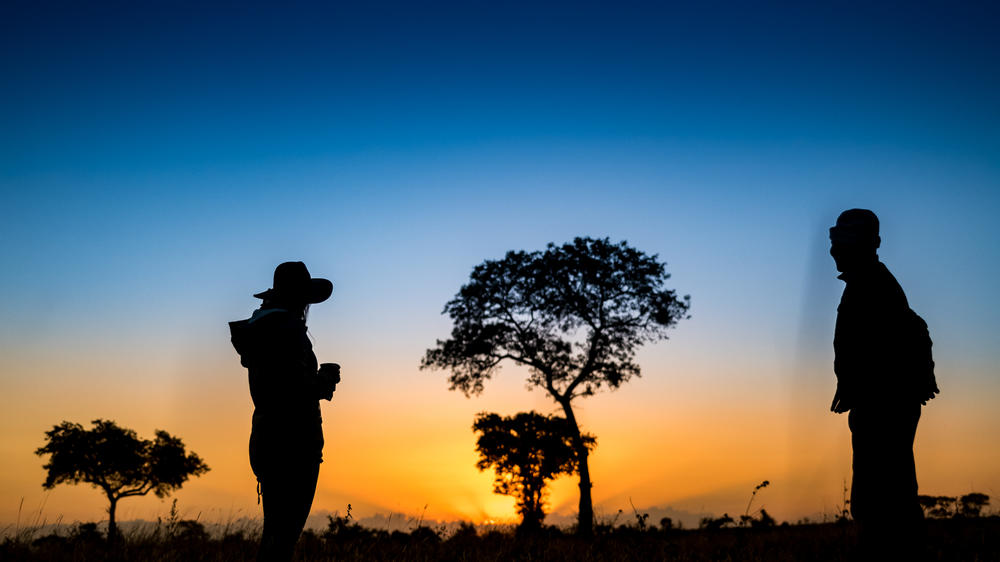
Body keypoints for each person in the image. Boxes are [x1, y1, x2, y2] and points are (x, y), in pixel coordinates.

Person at [829, 209, 939, 558]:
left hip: (883, 407)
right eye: (835, 241)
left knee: (883, 497)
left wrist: (863, 390)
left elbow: (881, 352)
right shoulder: (869, 283)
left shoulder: (873, 286)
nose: (835, 250)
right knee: (885, 494)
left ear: (871, 243)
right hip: (879, 403)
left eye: (844, 242)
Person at [229, 261, 341, 562]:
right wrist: (323, 382)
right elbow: (295, 388)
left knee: (274, 534)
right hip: (295, 441)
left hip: (267, 436)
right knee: (284, 538)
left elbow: (277, 385)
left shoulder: (262, 328)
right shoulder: (287, 330)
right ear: (299, 298)